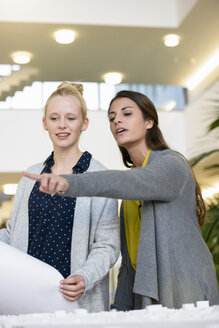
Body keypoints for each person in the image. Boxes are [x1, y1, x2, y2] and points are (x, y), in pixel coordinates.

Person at [23, 90, 219, 310]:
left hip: (185, 290)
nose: (117, 120)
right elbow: (130, 262)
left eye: (126, 114)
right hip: (147, 296)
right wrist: (119, 309)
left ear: (149, 121)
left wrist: (68, 183)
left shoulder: (171, 164)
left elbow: (126, 182)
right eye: (112, 117)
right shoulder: (132, 186)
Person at [0, 82, 120, 313]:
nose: (62, 125)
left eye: (70, 118)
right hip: (25, 296)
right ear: (45, 123)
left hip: (75, 300)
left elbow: (108, 245)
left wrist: (84, 277)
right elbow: (12, 232)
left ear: (84, 123)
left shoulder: (100, 178)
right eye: (54, 118)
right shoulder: (30, 177)